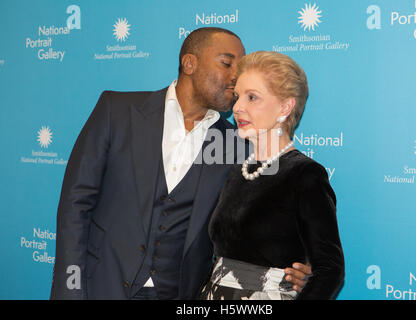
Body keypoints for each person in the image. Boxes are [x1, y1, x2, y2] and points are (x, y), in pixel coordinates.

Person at [50, 28, 311, 300]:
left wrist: (294, 264)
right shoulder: (116, 111)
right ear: (190, 63)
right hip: (99, 287)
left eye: (241, 68)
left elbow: (254, 226)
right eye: (227, 63)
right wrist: (70, 289)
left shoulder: (239, 145)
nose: (237, 76)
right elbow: (75, 205)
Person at [200, 51, 345, 300]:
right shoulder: (238, 170)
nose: (237, 107)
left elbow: (330, 269)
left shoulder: (305, 174)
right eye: (237, 96)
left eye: (252, 97)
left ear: (285, 107)